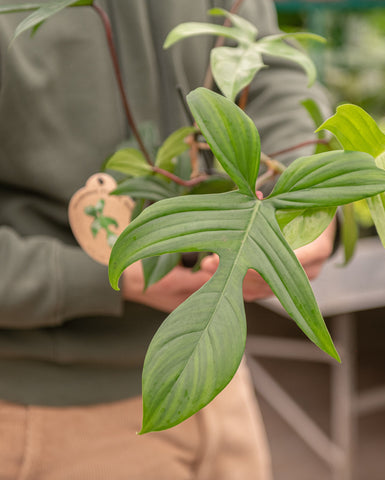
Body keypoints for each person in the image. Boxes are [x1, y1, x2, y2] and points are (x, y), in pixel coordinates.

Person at [0, 1, 335, 479]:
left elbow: (271, 72)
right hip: (51, 405)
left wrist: (305, 193)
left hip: (216, 367)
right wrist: (91, 277)